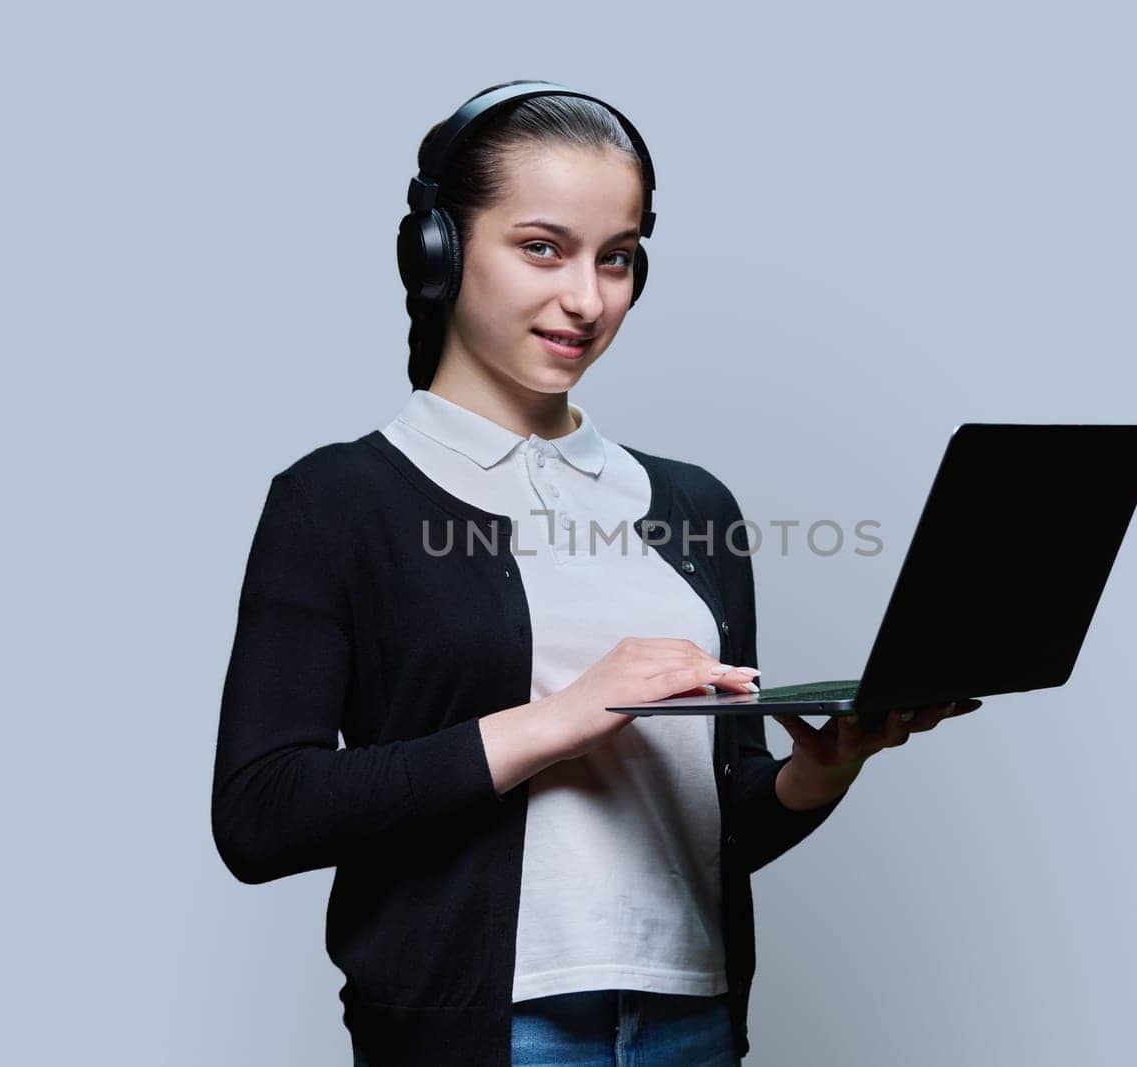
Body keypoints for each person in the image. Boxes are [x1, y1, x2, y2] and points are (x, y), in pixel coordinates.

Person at [211, 80, 973, 1066]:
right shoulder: (340, 499)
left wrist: (811, 773)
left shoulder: (695, 505)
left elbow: (712, 824)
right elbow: (261, 811)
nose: (586, 297)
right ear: (440, 250)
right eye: (542, 247)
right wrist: (559, 718)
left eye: (616, 259)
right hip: (488, 1040)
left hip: (689, 1028)